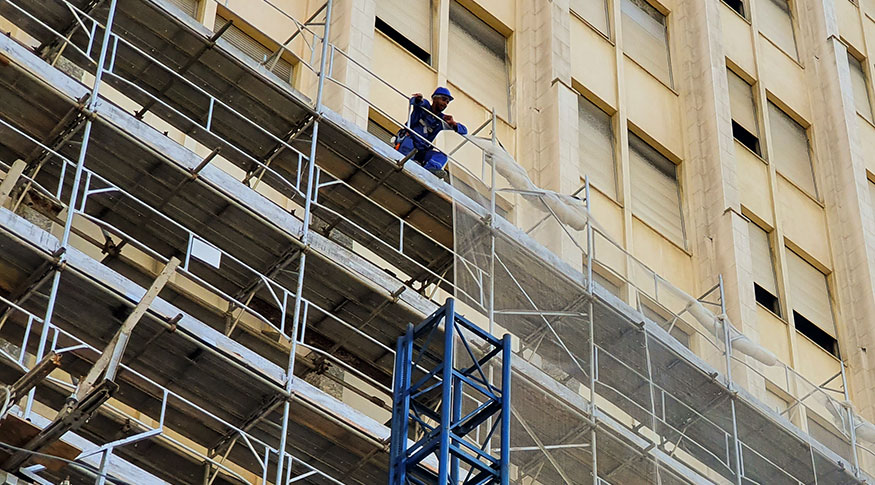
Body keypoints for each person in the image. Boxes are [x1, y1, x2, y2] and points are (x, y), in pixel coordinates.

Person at [395, 87, 468, 180]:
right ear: (434, 98)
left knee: (442, 157)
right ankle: (409, 166)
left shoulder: (442, 120)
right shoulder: (424, 107)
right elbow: (416, 102)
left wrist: (453, 124)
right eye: (444, 100)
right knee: (406, 157)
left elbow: (464, 131)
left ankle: (428, 170)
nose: (445, 104)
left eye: (447, 102)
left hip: (421, 151)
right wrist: (418, 99)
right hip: (409, 142)